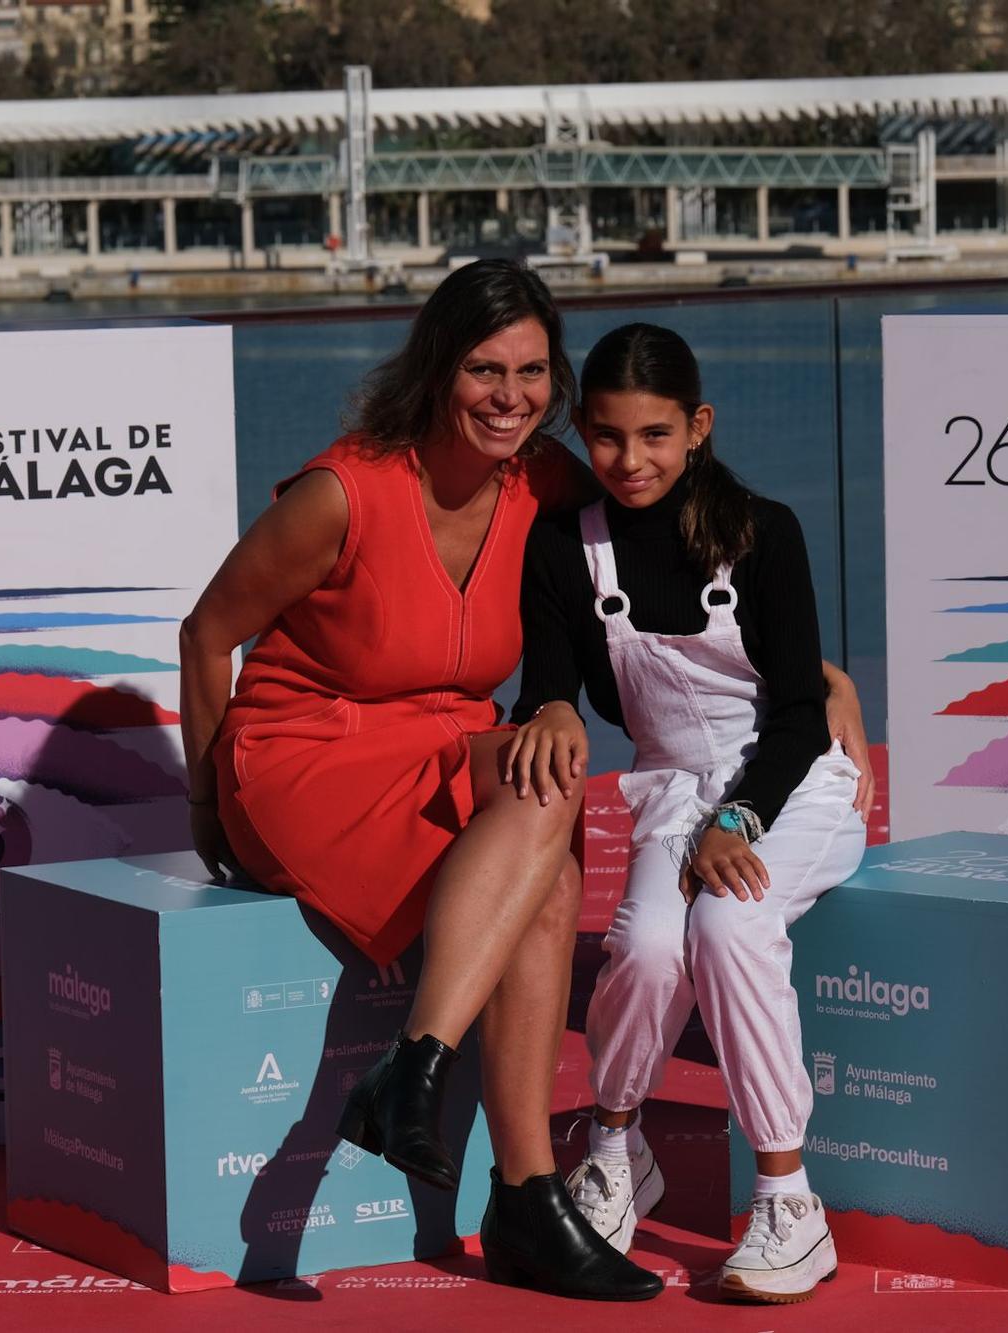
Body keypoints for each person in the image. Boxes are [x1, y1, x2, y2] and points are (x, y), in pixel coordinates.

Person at [177, 265, 871, 1301]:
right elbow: (207, 634)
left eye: (532, 372)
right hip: (300, 752)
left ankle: (504, 1171)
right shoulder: (344, 493)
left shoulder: (547, 483)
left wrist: (815, 675)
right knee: (554, 816)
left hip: (440, 739)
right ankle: (483, 1140)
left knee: (547, 802)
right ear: (436, 369)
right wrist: (206, 811)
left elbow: (670, 550)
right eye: (482, 370)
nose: (509, 395)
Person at [506, 323, 867, 1304]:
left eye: (655, 435)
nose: (630, 461)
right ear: (581, 429)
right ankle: (617, 1150)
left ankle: (789, 1201)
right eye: (610, 437)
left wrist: (740, 818)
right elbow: (549, 684)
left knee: (728, 922)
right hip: (669, 786)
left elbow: (798, 711)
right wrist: (542, 708)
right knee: (650, 951)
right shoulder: (560, 547)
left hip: (790, 787)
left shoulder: (764, 530)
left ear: (697, 426)